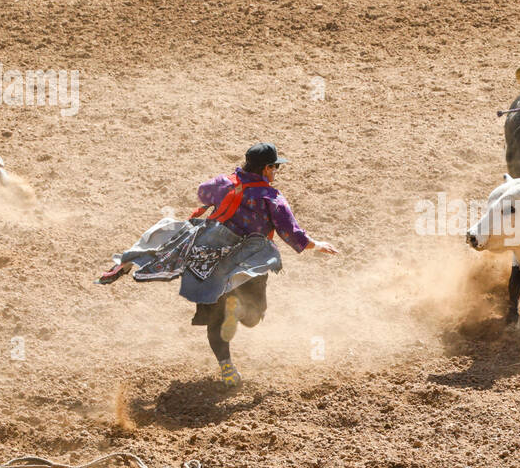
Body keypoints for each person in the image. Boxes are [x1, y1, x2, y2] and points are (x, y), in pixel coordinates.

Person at [97, 143, 339, 389]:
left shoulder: (224, 183)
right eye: (275, 166)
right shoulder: (272, 198)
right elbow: (292, 233)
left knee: (216, 320)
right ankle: (236, 312)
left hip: (208, 261)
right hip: (247, 265)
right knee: (254, 317)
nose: (276, 171)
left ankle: (227, 366)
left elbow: (203, 192)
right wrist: (317, 245)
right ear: (266, 169)